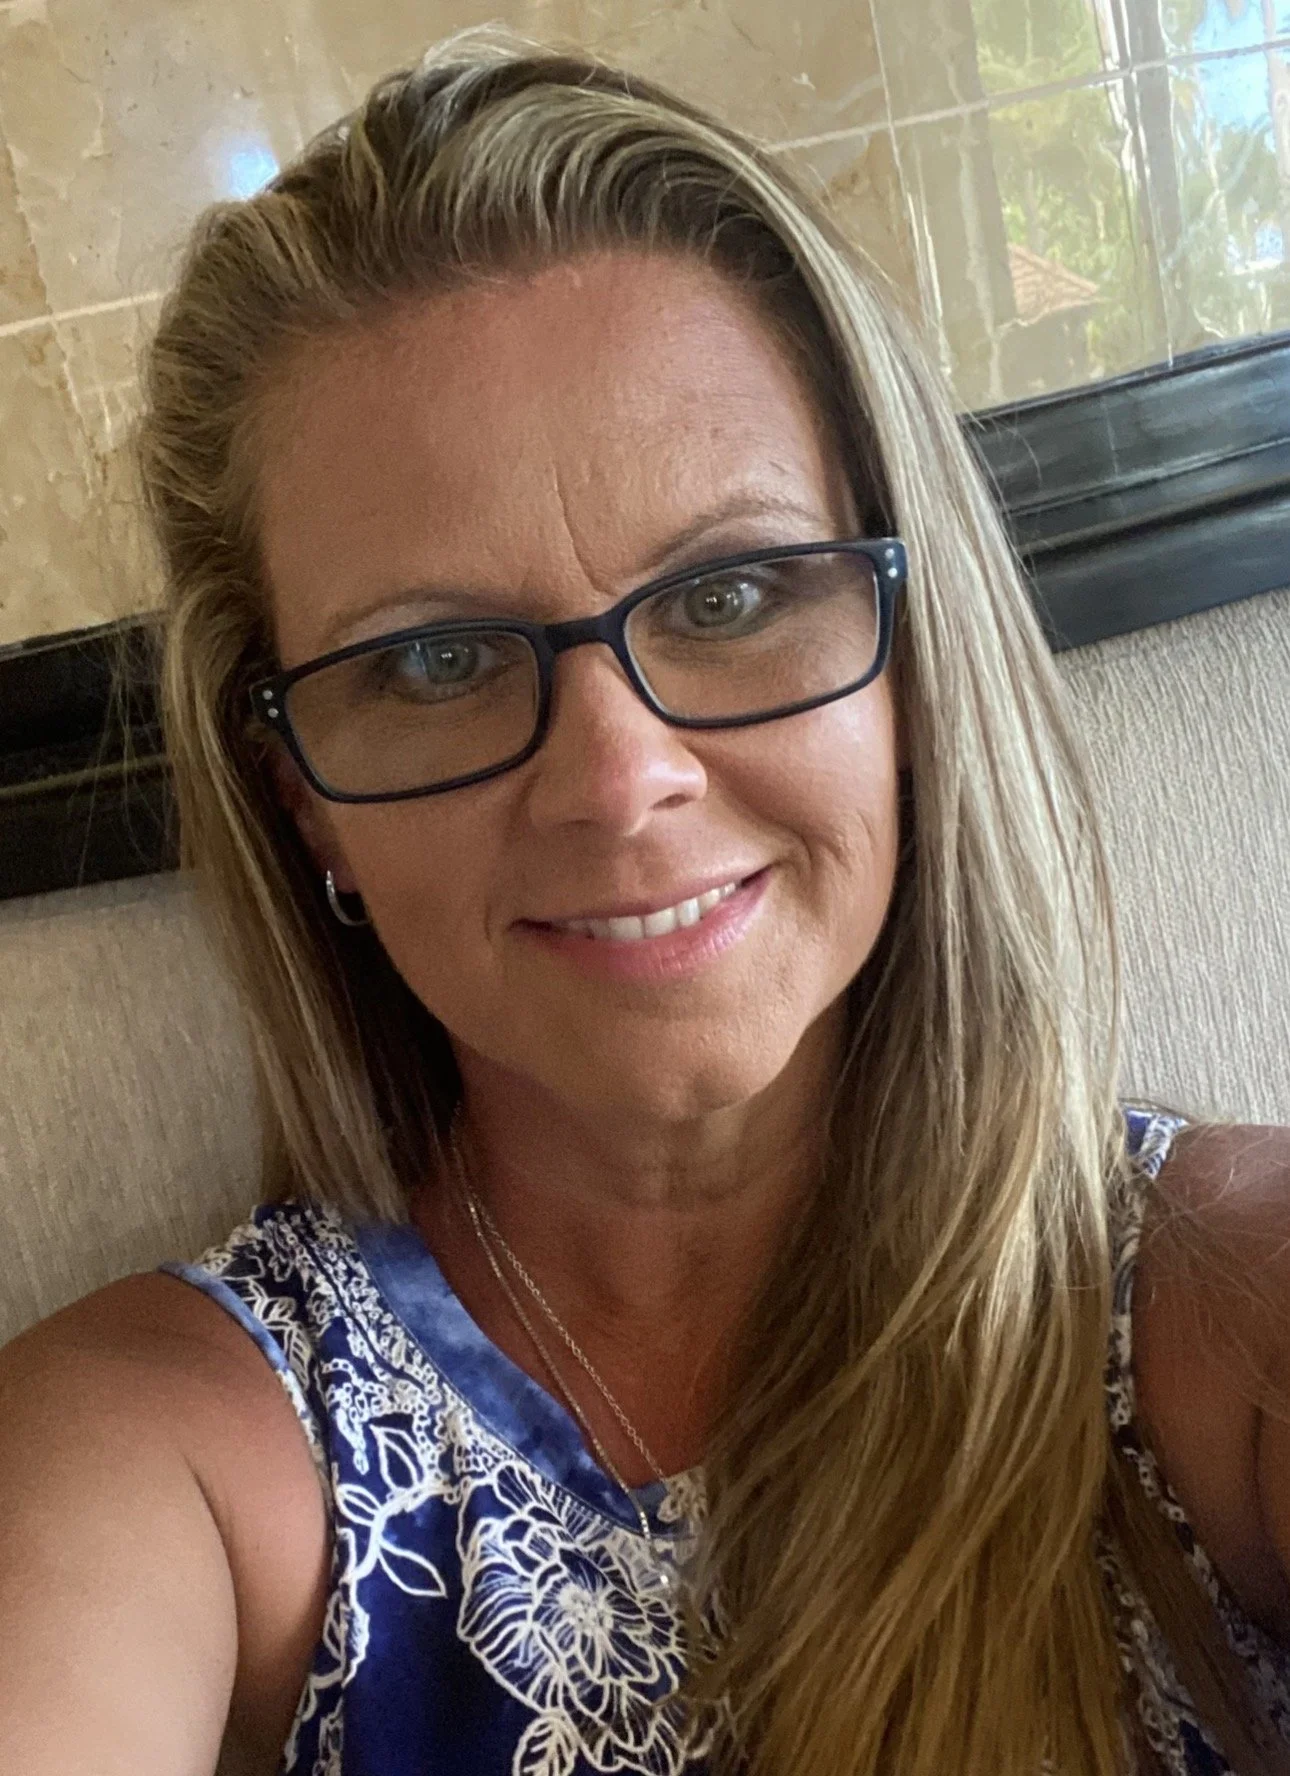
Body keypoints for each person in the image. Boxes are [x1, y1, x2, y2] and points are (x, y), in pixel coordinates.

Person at [1, 29, 1288, 1776]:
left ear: (916, 667)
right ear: (301, 794)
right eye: (438, 658)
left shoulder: (1225, 1313)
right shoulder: (164, 1462)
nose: (619, 782)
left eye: (736, 589)